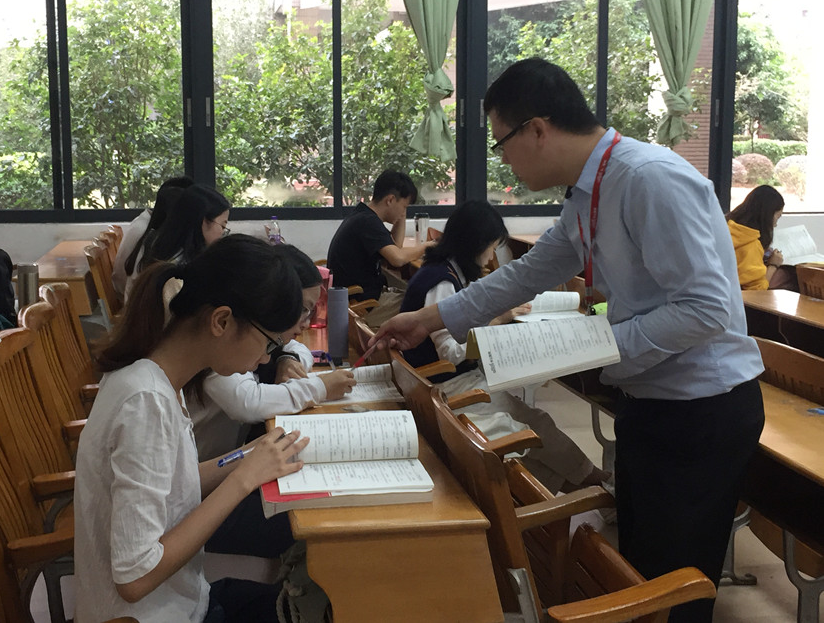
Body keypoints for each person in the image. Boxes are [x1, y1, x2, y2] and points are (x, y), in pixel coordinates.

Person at [371, 58, 765, 623]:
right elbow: (526, 273)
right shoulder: (589, 192)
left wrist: (594, 342)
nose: (503, 159)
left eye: (502, 143)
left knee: (672, 586)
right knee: (640, 570)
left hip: (701, 409)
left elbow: (705, 310)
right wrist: (430, 318)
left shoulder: (649, 179)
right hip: (651, 401)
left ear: (537, 128)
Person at [74, 235, 310, 623]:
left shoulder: (160, 376)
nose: (265, 360)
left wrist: (247, 455)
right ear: (221, 321)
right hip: (153, 614)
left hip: (188, 600)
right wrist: (243, 480)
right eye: (269, 344)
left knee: (311, 603)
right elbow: (135, 577)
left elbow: (175, 484)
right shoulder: (145, 401)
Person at [401, 199, 609, 494]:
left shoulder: (442, 271)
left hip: (444, 383)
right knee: (534, 425)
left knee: (533, 426)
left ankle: (585, 486)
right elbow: (449, 352)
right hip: (447, 386)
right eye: (491, 247)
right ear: (476, 245)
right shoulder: (441, 282)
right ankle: (595, 482)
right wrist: (498, 321)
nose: (491, 257)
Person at [190, 244, 356, 461]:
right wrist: (320, 387)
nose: (306, 323)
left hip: (218, 462)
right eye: (302, 309)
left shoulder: (243, 335)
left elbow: (297, 348)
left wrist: (287, 358)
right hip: (205, 464)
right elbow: (247, 403)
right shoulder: (221, 347)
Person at [327, 169, 434, 301]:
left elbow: (396, 247)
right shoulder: (367, 222)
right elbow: (397, 258)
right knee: (424, 302)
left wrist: (401, 213)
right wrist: (428, 246)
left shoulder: (364, 215)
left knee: (418, 296)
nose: (404, 212)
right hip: (362, 302)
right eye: (404, 206)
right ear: (390, 200)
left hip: (362, 295)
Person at [125, 184, 231, 301]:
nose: (223, 233)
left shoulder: (157, 243)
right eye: (223, 226)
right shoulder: (178, 269)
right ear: (203, 222)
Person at [113, 175, 193, 296]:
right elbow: (120, 278)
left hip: (133, 298)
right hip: (133, 300)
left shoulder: (151, 230)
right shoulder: (145, 232)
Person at [726, 184, 793, 290]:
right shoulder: (751, 244)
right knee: (789, 277)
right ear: (768, 216)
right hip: (740, 298)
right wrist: (773, 265)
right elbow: (757, 290)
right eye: (777, 217)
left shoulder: (726, 227)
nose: (775, 225)